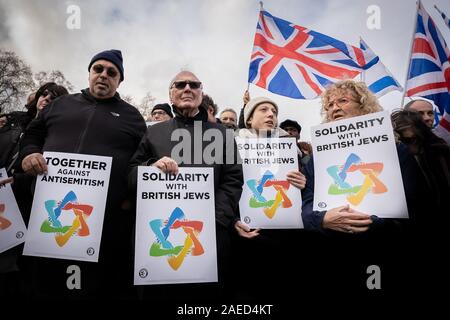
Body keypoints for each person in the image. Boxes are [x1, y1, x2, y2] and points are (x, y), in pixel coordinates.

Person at [17, 49, 147, 299]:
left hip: (103, 226)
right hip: (46, 215)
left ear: (120, 80)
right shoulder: (60, 104)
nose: (103, 75)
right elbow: (33, 134)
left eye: (112, 72)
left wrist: (129, 197)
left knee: (92, 288)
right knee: (41, 284)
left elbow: (141, 158)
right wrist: (30, 153)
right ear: (89, 73)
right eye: (98, 69)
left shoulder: (132, 117)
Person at [301, 80, 426, 293]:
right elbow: (306, 203)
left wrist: (376, 223)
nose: (335, 107)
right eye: (329, 105)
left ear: (363, 105)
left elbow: (418, 206)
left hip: (380, 250)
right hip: (330, 251)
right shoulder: (317, 158)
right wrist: (321, 219)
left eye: (343, 100)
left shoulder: (396, 151)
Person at [128, 70, 243, 301]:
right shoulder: (153, 132)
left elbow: (233, 179)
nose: (187, 88)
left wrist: (215, 220)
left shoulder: (222, 134)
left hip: (210, 235)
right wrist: (151, 167)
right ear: (171, 95)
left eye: (194, 85)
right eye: (180, 85)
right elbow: (131, 174)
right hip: (159, 236)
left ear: (201, 93)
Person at [232, 96, 307, 300]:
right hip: (245, 235)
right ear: (249, 120)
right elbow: (224, 187)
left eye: (274, 111)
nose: (271, 114)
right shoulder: (231, 148)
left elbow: (306, 193)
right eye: (263, 110)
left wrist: (303, 183)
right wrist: (232, 220)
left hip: (285, 235)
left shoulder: (292, 150)